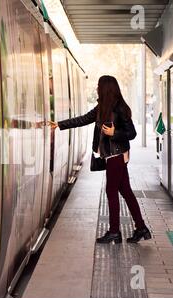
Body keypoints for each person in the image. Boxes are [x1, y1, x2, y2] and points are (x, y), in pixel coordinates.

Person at [49, 75, 151, 244]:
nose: (96, 88)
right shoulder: (101, 107)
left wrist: (114, 133)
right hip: (111, 156)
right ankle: (141, 228)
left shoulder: (120, 108)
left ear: (106, 88)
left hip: (117, 156)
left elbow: (132, 133)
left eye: (98, 85)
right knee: (125, 191)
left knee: (111, 192)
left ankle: (114, 232)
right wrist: (59, 124)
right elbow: (83, 119)